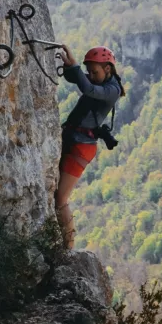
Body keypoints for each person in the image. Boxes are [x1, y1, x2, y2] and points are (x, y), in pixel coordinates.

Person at [53, 45, 124, 248]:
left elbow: (88, 88)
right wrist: (69, 68)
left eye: (96, 72)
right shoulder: (100, 82)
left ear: (108, 69)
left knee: (61, 199)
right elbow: (77, 80)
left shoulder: (112, 90)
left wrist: (75, 65)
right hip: (73, 139)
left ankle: (68, 247)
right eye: (90, 71)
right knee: (56, 195)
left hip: (82, 147)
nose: (91, 76)